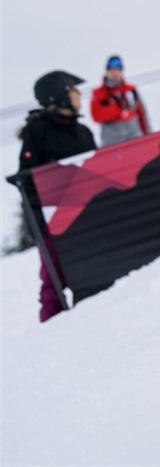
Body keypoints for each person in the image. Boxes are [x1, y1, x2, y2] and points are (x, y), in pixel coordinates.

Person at [13, 71, 97, 321]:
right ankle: (52, 329)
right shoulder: (38, 130)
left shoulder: (83, 131)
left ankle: (92, 318)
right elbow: (26, 178)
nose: (79, 94)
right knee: (54, 277)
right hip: (51, 220)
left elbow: (95, 168)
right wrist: (40, 218)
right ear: (59, 96)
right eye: (74, 90)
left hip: (84, 214)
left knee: (90, 270)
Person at [88, 55, 150, 147]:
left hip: (134, 138)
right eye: (112, 70)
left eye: (118, 70)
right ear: (107, 72)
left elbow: (141, 114)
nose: (115, 73)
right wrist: (117, 107)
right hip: (112, 144)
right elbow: (96, 116)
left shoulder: (130, 89)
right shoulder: (98, 93)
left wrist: (148, 136)